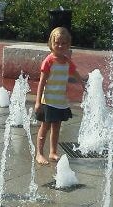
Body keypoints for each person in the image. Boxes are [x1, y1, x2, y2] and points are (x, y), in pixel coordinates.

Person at [35, 27, 86, 165]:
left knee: (57, 127)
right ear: (51, 43)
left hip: (60, 101)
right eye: (57, 43)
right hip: (48, 100)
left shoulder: (67, 61)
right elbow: (41, 82)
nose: (60, 46)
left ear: (68, 45)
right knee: (45, 126)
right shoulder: (49, 61)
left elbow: (74, 72)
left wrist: (83, 83)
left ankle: (53, 152)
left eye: (63, 43)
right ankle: (39, 153)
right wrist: (38, 102)